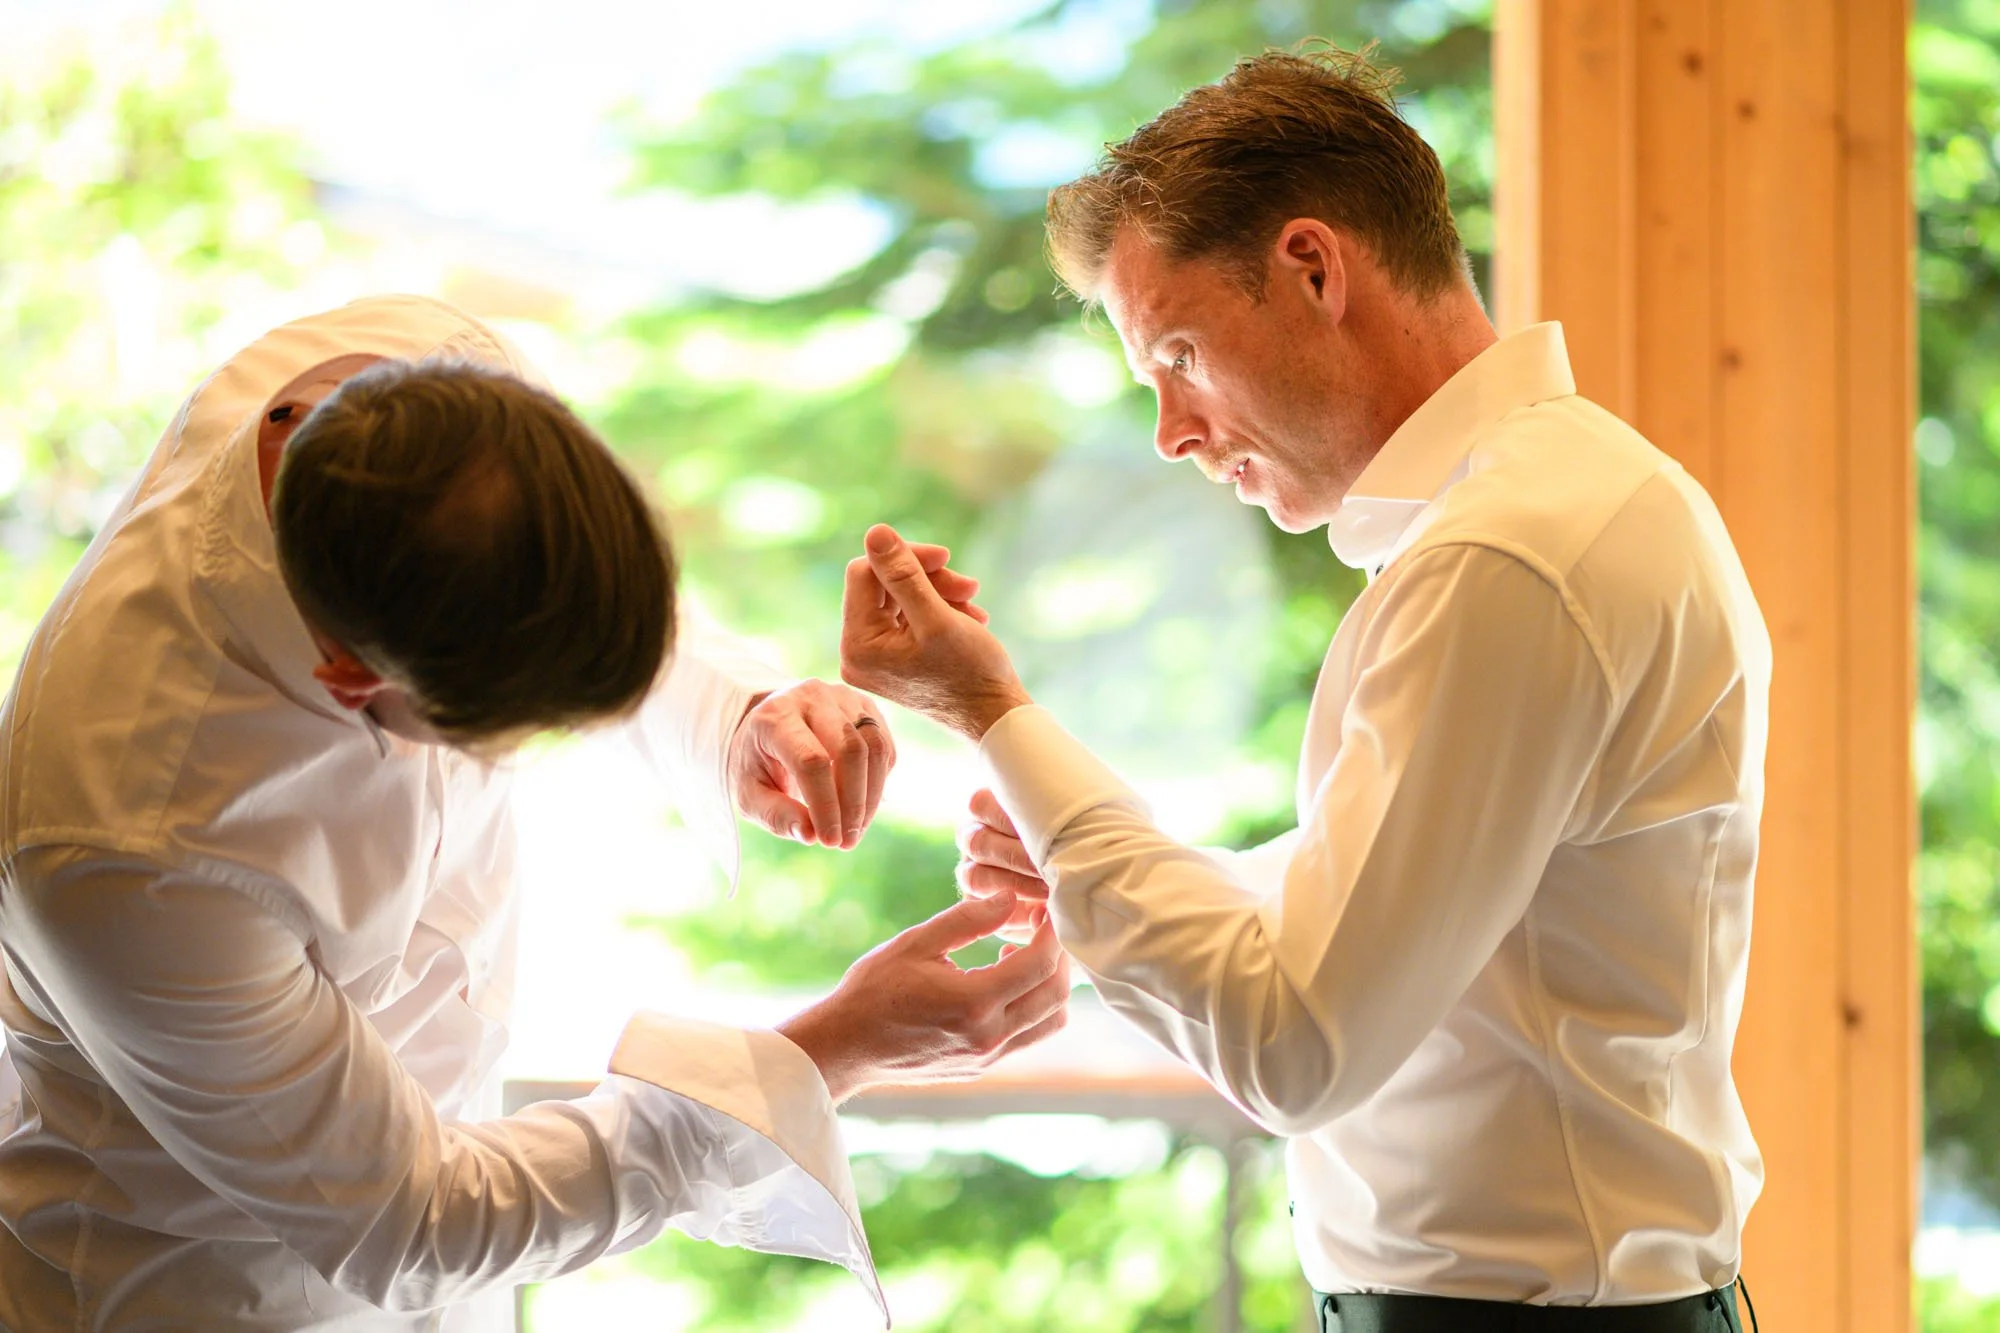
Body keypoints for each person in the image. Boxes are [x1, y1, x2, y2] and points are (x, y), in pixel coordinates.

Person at [841, 47, 1765, 1333]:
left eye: (1176, 351)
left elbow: (1294, 1042)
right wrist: (1075, 858)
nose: (1169, 429)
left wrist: (992, 714)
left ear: (1313, 269)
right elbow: (1398, 908)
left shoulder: (1505, 558)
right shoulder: (1556, 507)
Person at [0, 294, 1068, 1331]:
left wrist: (739, 717)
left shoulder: (428, 363)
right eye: (519, 733)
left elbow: (565, 583)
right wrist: (826, 1050)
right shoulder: (125, 846)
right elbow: (414, 1221)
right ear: (349, 681)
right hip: (208, 1289)